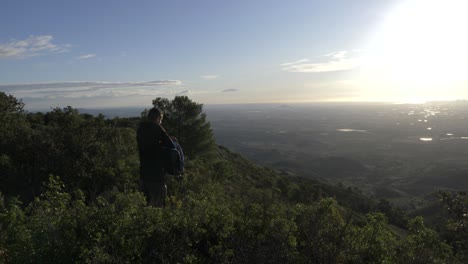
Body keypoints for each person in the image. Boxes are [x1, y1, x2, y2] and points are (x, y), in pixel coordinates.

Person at [137, 107, 175, 207]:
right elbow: (171, 145)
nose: (161, 121)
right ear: (158, 118)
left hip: (143, 174)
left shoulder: (141, 128)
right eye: (161, 119)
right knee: (158, 206)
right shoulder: (157, 128)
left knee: (145, 205)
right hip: (156, 174)